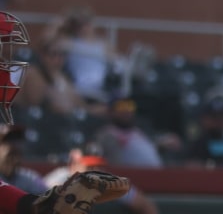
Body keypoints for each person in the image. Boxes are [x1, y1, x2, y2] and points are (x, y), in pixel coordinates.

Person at [0, 11, 131, 214]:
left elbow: (80, 107)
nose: (58, 59)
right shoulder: (36, 74)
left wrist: (36, 204)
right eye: (53, 53)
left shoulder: (63, 79)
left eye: (62, 54)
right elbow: (44, 105)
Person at [38, 153, 156, 214]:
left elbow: (143, 204)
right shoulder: (60, 177)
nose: (96, 170)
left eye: (100, 166)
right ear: (74, 166)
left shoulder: (108, 180)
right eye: (90, 166)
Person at [92, 100, 176, 169]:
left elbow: (148, 148)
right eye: (121, 107)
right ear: (111, 112)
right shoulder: (107, 133)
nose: (126, 111)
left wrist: (163, 143)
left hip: (156, 174)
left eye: (129, 106)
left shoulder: (138, 131)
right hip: (130, 179)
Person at [0, 128, 46, 194]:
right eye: (10, 155)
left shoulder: (31, 178)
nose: (15, 160)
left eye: (17, 154)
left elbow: (46, 197)